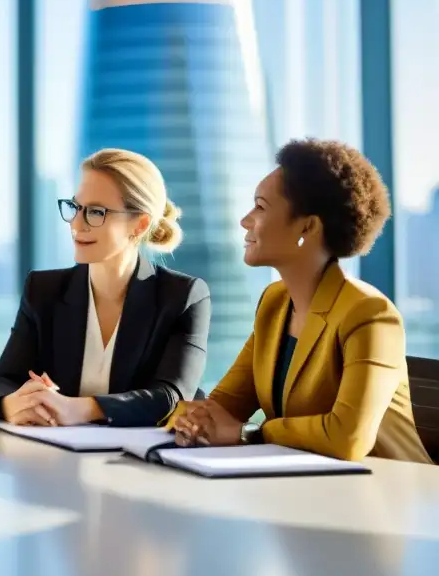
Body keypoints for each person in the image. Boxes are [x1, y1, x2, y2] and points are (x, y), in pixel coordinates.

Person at [170, 138, 432, 463]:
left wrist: (248, 433)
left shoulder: (370, 314)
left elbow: (347, 438)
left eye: (261, 207)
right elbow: (223, 407)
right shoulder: (274, 303)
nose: (245, 220)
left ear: (307, 227)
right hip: (305, 487)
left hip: (387, 497)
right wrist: (192, 421)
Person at [0, 148, 211, 428]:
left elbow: (170, 396)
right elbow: (0, 381)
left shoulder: (183, 297)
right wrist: (12, 403)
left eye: (96, 212)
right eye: (76, 207)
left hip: (141, 464)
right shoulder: (43, 291)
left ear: (139, 225)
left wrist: (79, 408)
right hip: (55, 459)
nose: (77, 224)